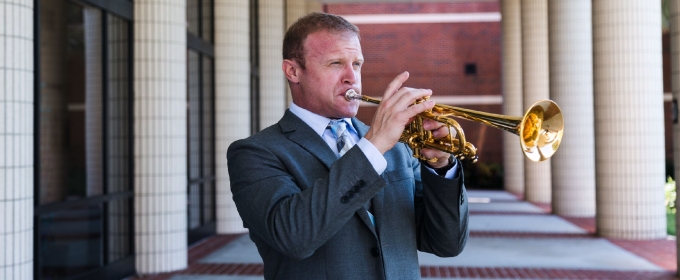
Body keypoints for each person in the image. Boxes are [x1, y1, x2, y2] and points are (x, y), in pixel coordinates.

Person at [227, 12, 469, 280]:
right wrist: (374, 145)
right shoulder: (255, 152)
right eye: (335, 63)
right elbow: (294, 237)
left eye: (357, 64)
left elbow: (446, 244)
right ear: (293, 71)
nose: (351, 77)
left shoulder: (397, 147)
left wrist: (440, 165)